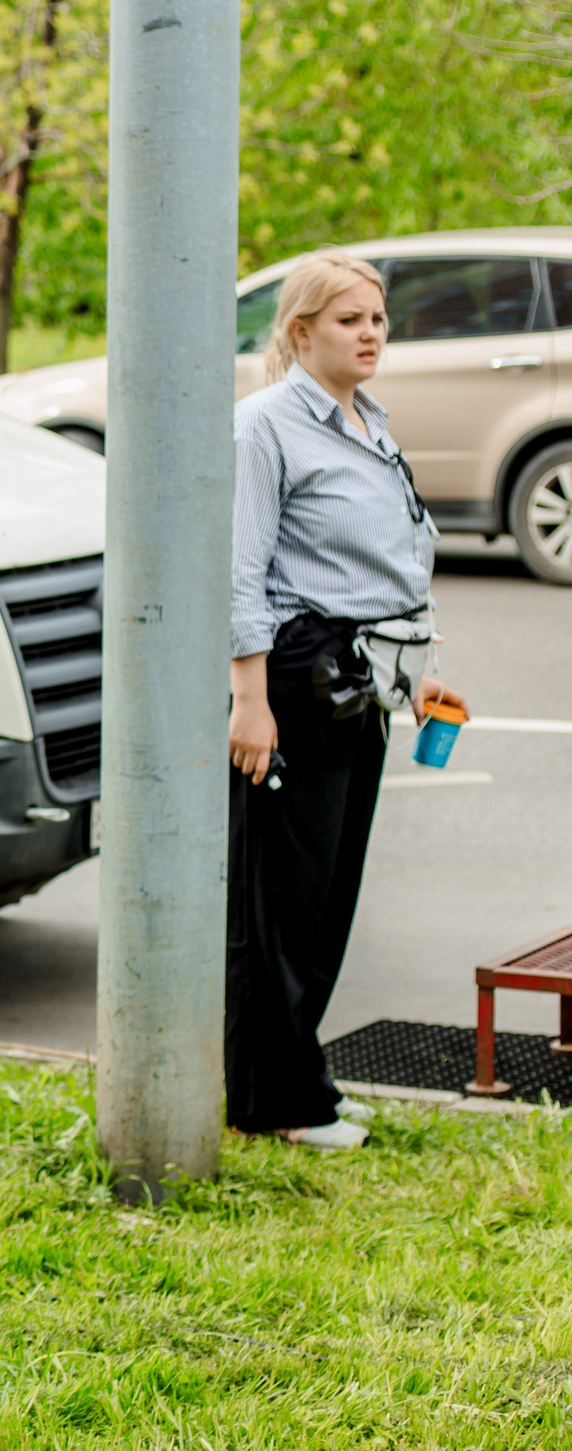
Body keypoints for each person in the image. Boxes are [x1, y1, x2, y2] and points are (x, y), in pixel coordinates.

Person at [228, 250, 467, 1150]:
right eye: (349, 321)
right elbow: (241, 574)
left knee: (325, 898)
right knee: (279, 907)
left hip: (360, 685)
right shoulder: (265, 428)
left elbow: (386, 565)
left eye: (377, 319)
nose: (371, 335)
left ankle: (301, 1080)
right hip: (294, 685)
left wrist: (419, 672)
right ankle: (269, 1101)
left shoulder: (366, 420)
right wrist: (249, 702)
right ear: (299, 332)